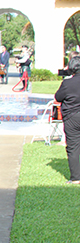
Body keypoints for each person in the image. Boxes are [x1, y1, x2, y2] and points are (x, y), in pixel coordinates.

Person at [56, 56, 80, 184]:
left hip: (72, 117)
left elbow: (58, 97)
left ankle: (76, 177)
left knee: (73, 146)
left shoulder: (67, 83)